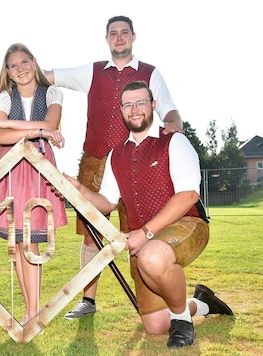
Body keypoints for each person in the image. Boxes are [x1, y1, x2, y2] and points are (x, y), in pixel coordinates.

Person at [0, 15, 184, 320]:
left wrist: (175, 122)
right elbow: (45, 75)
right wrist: (3, 75)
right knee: (92, 231)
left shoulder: (150, 73)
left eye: (124, 33)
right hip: (95, 160)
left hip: (134, 160)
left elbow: (167, 107)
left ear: (133, 36)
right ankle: (89, 300)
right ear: (106, 39)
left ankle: (149, 296)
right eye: (113, 33)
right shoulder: (91, 72)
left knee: (137, 229)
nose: (119, 38)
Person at [64, 81, 232, 348]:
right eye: (128, 104)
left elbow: (188, 195)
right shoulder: (116, 155)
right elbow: (107, 202)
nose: (135, 108)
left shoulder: (174, 140)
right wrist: (79, 188)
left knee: (152, 255)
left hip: (186, 224)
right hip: (144, 240)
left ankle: (182, 321)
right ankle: (202, 303)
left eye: (141, 102)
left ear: (153, 105)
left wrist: (145, 232)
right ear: (121, 110)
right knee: (155, 326)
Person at [0, 43, 68, 324]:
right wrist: (39, 130)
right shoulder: (5, 96)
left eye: (24, 62)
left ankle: (34, 309)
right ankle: (30, 310)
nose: (21, 69)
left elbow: (50, 125)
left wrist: (9, 125)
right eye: (13, 65)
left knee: (31, 243)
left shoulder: (53, 92)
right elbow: (1, 139)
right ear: (7, 71)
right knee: (18, 244)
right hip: (12, 170)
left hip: (39, 170)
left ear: (34, 62)